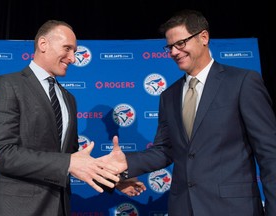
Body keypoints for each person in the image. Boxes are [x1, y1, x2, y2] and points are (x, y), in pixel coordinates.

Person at [103, 9, 276, 216]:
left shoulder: (243, 82)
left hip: (234, 209)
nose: (174, 52)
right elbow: (165, 150)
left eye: (180, 44)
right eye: (170, 47)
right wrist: (127, 163)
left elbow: (269, 154)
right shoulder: (169, 95)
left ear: (204, 37)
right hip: (183, 207)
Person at [0, 20, 125, 216]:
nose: (73, 58)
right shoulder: (8, 85)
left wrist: (113, 179)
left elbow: (75, 158)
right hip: (17, 208)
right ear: (43, 44)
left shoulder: (69, 98)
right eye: (67, 48)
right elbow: (3, 154)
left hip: (59, 207)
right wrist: (68, 163)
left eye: (75, 51)